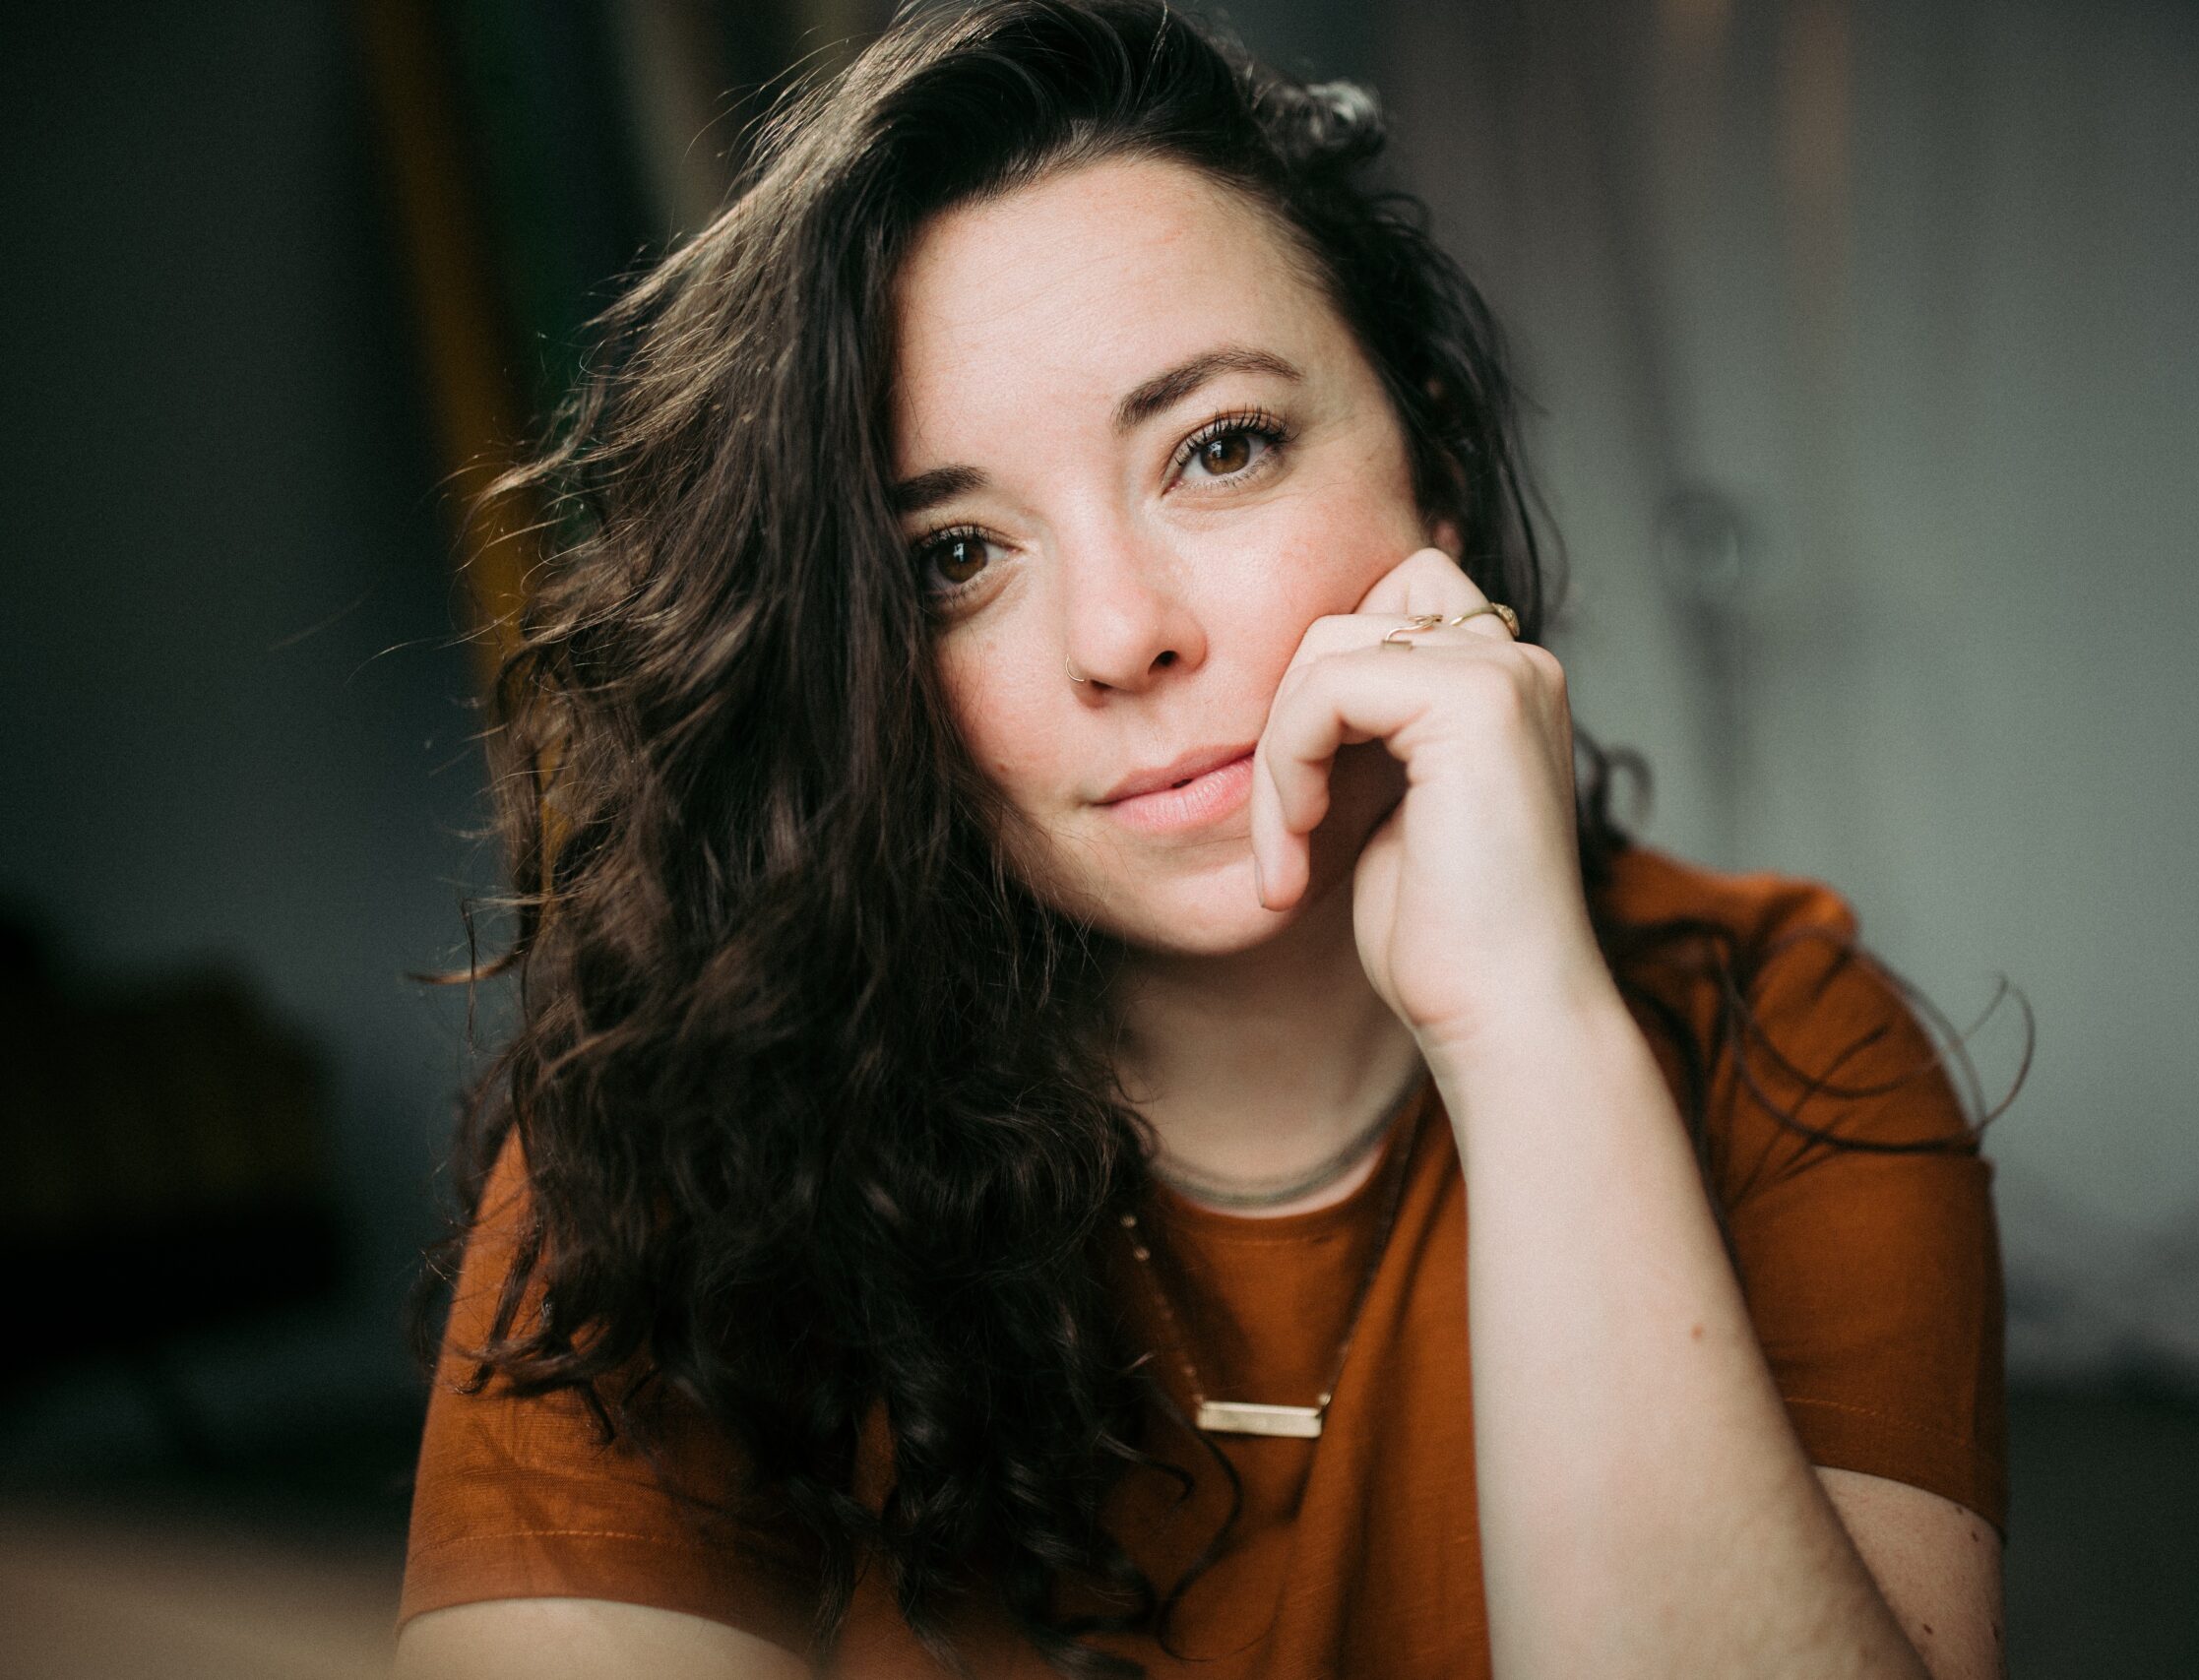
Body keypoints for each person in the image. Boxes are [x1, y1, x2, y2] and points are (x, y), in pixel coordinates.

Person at [394, 3, 2011, 1676]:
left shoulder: (1789, 1049)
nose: (1119, 634)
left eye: (1218, 450)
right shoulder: (677, 1135)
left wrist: (1530, 1031)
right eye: (956, 557)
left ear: (1433, 464)